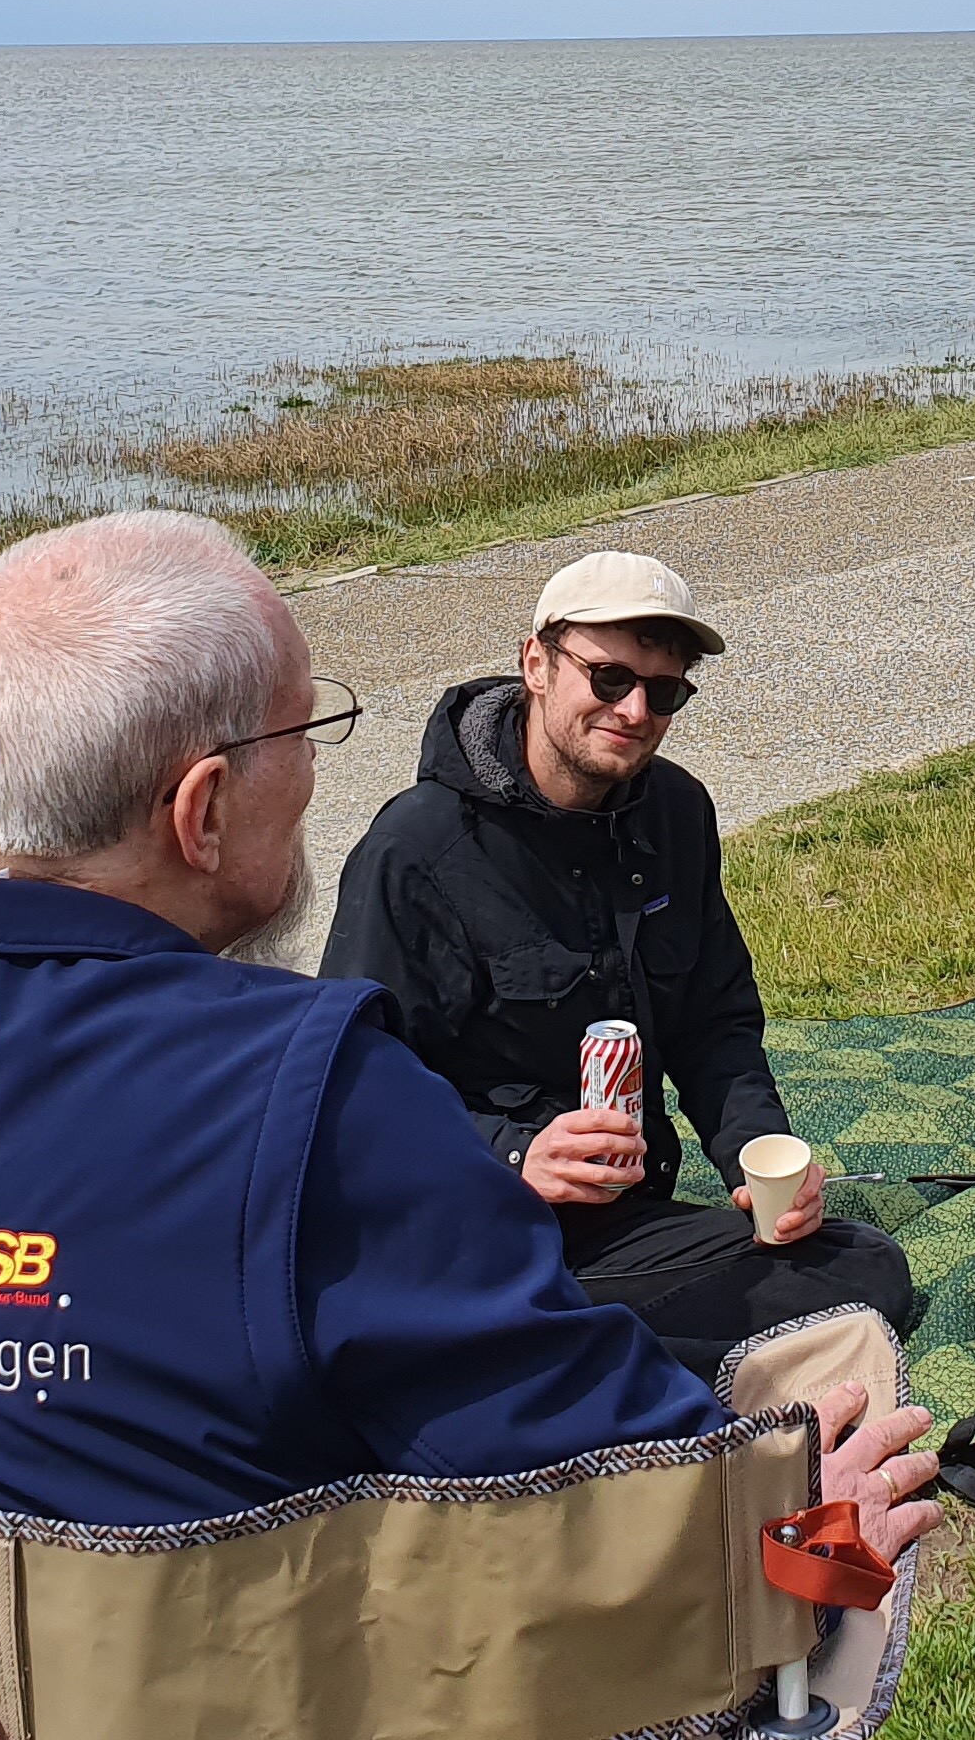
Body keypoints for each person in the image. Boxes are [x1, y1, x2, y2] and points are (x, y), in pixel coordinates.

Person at [0, 513, 942, 1740]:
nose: (322, 775)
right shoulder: (306, 1097)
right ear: (203, 807)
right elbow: (643, 1507)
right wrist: (792, 1505)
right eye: (314, 730)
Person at [323, 550, 920, 1376]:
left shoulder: (674, 811)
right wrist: (511, 1154)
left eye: (663, 691)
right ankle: (521, 1348)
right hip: (475, 1226)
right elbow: (351, 1091)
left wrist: (760, 1158)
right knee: (858, 1284)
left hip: (620, 1221)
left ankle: (550, 1359)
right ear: (536, 662)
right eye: (608, 679)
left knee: (863, 1266)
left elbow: (716, 1021)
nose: (635, 710)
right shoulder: (417, 849)